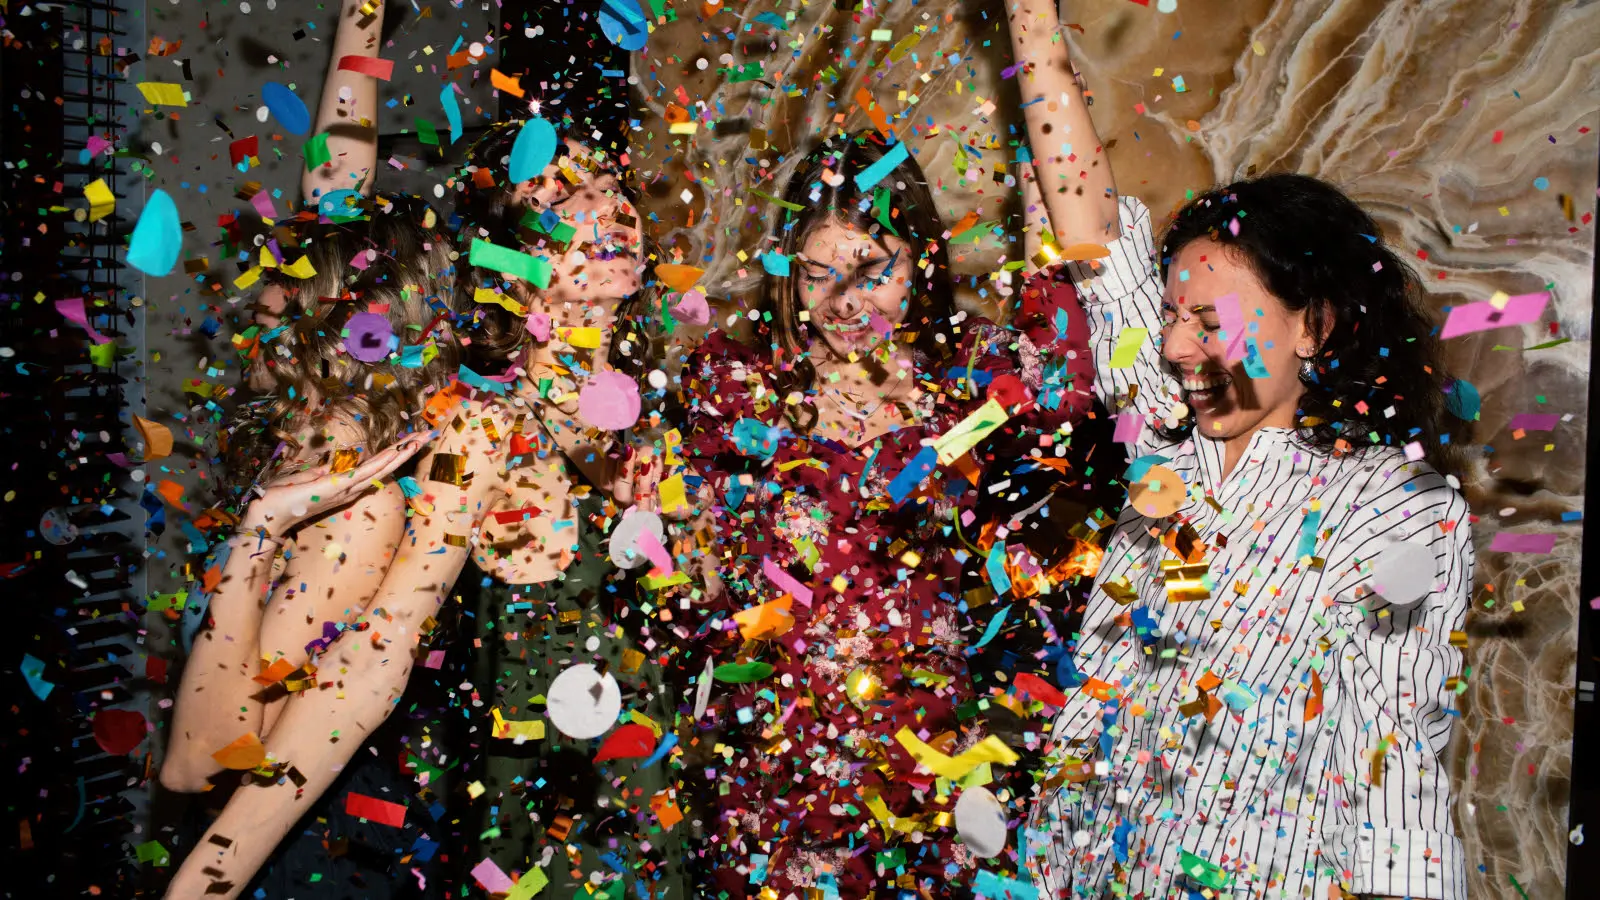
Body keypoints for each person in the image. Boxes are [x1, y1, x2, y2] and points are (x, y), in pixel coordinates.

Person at [1003, 2, 1476, 898]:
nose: (1179, 347)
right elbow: (1092, 229)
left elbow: (1398, 770)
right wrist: (1032, 26)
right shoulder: (1170, 433)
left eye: (1211, 323)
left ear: (1316, 326)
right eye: (1176, 317)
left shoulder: (1393, 510)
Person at [161, 107, 682, 898]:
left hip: (650, 811)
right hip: (526, 837)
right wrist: (211, 877)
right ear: (507, 262)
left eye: (608, 187)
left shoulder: (671, 411)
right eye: (558, 202)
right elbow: (382, 646)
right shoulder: (478, 424)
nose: (603, 213)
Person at [671, 130, 1099, 899]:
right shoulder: (736, 384)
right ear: (786, 272)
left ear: (920, 260)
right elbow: (693, 561)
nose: (844, 302)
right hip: (782, 761)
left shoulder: (969, 378)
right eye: (817, 274)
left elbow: (1066, 396)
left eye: (873, 270)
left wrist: (1047, 233)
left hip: (930, 755)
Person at [160, 1, 465, 896]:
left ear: (336, 332)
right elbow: (334, 183)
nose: (261, 289)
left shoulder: (356, 511)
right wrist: (361, 22)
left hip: (298, 872)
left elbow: (199, 766)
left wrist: (257, 533)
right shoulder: (309, 460)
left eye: (284, 290)